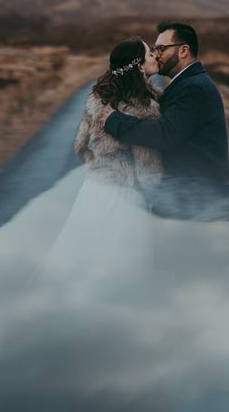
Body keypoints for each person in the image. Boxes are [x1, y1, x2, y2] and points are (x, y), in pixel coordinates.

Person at [42, 37, 163, 286]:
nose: (155, 56)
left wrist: (100, 167)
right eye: (150, 53)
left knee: (79, 258)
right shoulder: (143, 107)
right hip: (126, 196)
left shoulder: (99, 97)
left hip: (94, 190)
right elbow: (147, 168)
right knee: (121, 268)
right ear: (139, 66)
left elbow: (80, 146)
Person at [101, 21, 229, 221]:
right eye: (154, 49)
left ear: (183, 51)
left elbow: (165, 134)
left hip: (201, 207)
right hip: (190, 202)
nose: (156, 54)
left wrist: (115, 121)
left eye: (161, 48)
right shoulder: (186, 83)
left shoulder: (194, 88)